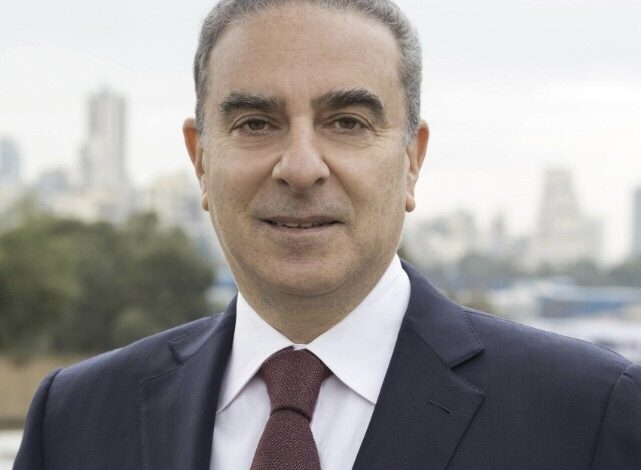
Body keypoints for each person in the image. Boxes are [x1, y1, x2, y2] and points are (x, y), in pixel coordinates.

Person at [14, 0, 641, 469]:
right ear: (200, 160)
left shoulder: (588, 415)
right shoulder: (74, 421)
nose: (301, 167)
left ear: (412, 160)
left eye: (347, 122)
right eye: (256, 123)